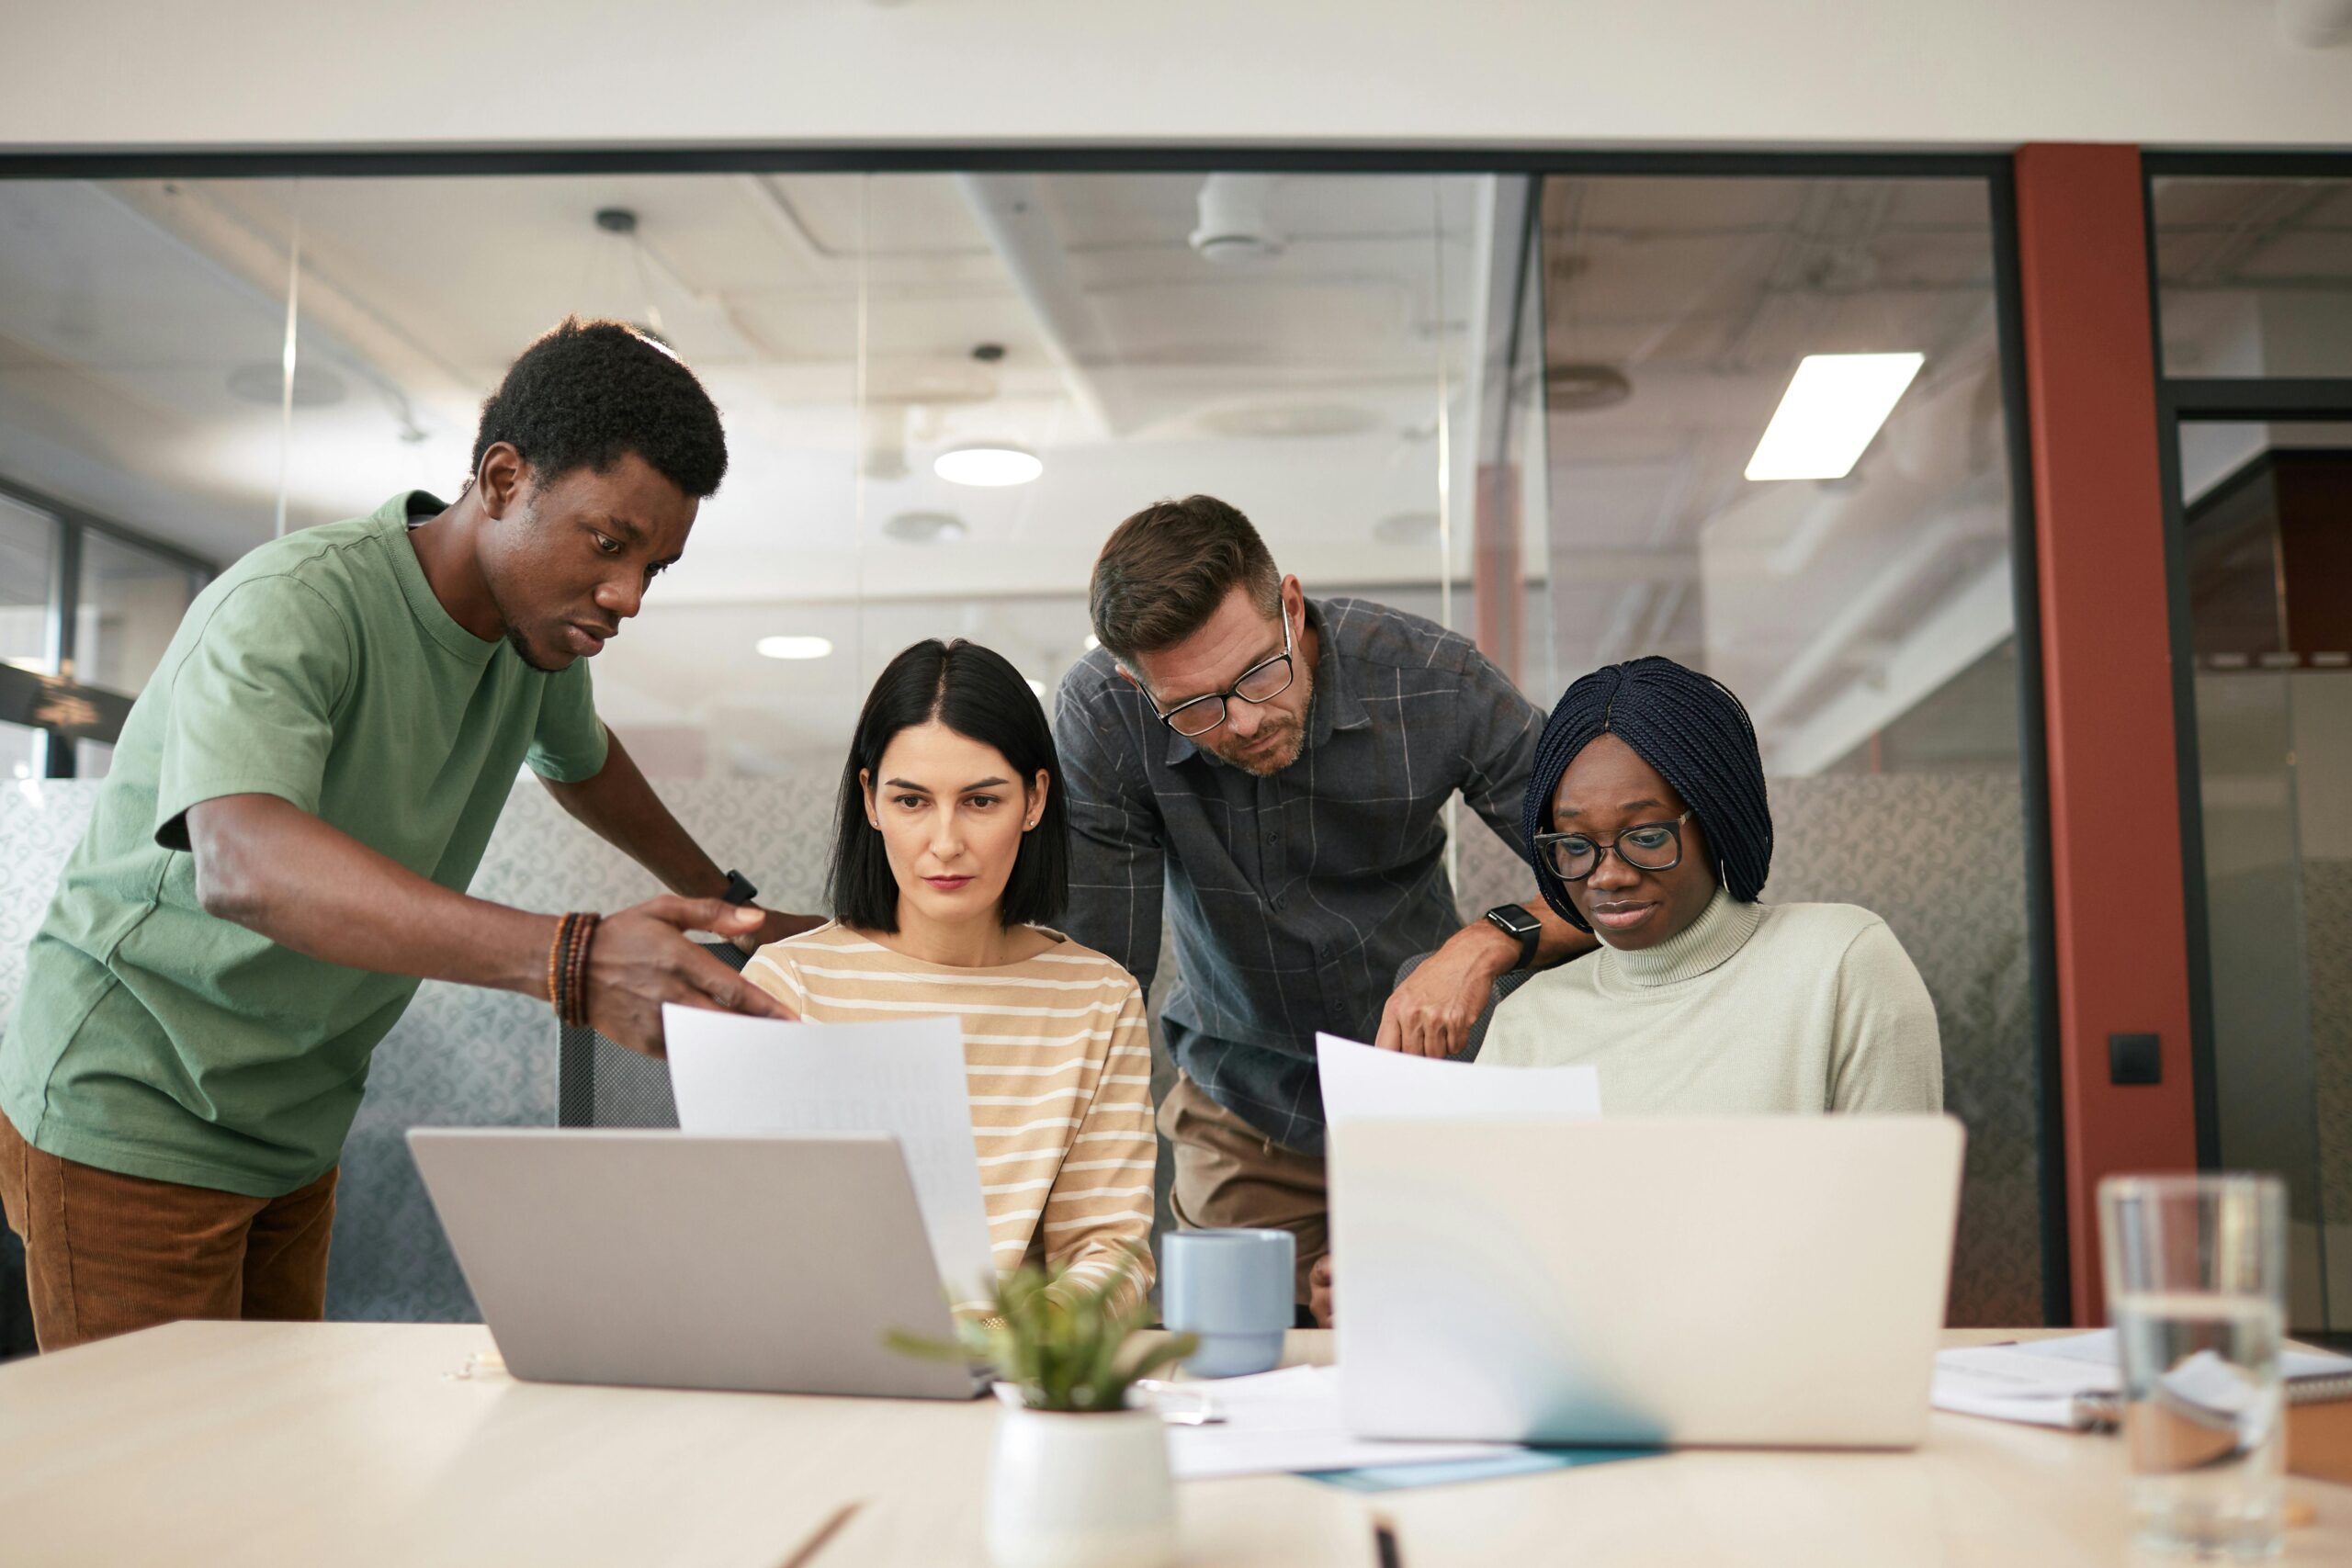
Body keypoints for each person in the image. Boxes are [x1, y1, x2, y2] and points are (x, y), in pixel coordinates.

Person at [0, 319, 816, 1353]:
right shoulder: (294, 605)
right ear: (505, 478)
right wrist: (569, 958)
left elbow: (585, 761)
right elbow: (244, 863)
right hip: (135, 1105)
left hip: (296, 1122)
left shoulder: (536, 647)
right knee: (146, 1497)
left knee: (268, 1480)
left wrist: (734, 909)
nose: (627, 596)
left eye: (656, 568)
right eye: (610, 544)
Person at [1054, 495, 1594, 1313]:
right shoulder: (1105, 712)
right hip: (1245, 1104)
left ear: (1291, 605)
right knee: (1239, 1373)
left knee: (1452, 1340)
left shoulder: (1432, 682)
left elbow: (1613, 876)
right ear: (1137, 680)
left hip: (1432, 1100)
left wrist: (1488, 940)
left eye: (1259, 673)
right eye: (1195, 707)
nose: (1242, 722)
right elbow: (1101, 982)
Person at [1306, 655, 1943, 1326]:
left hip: (1789, 1401)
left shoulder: (1840, 964)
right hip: (1576, 1406)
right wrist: (1391, 1292)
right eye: (1575, 846)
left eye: (1643, 836)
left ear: (1718, 816)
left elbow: (1893, 1263)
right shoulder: (1530, 1020)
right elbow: (1497, 1284)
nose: (1606, 876)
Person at [744, 639, 1157, 1310]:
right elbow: (749, 1242)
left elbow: (1106, 1254)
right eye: (911, 801)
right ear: (871, 801)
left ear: (1034, 800)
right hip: (829, 1362)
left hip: (1012, 1376)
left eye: (980, 801)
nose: (944, 842)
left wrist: (1025, 1343)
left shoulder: (1097, 1000)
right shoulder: (789, 985)